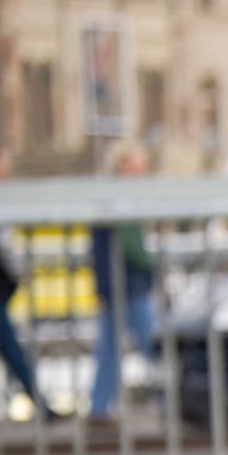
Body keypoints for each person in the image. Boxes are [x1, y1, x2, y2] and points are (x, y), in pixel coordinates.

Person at [0, 144, 52, 416]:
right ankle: (42, 405)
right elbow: (4, 242)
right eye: (6, 161)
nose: (10, 166)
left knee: (7, 346)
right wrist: (20, 270)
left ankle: (41, 405)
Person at [89, 146, 157, 420]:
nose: (143, 172)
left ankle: (99, 407)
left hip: (112, 283)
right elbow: (132, 245)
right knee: (152, 343)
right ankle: (174, 401)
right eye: (139, 166)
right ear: (124, 166)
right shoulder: (120, 195)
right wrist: (153, 264)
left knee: (109, 348)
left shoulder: (105, 194)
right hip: (128, 283)